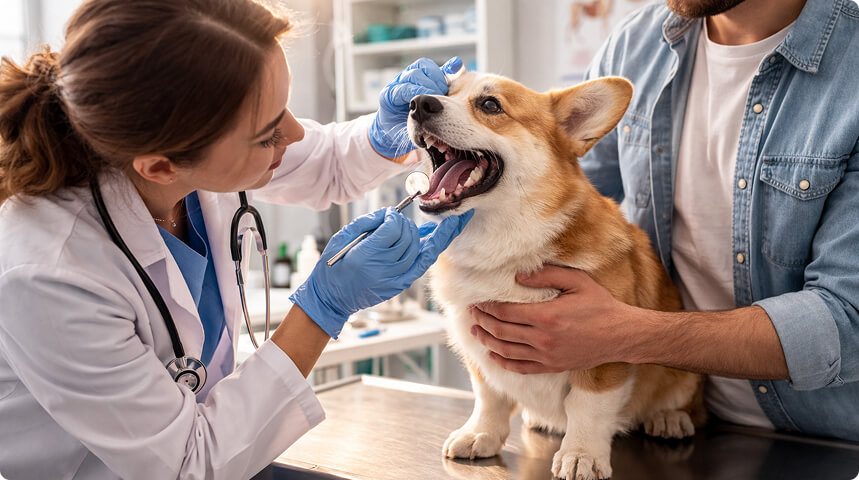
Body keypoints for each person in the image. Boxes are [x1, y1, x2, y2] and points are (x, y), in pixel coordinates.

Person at [0, 1, 469, 479]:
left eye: (283, 108)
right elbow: (189, 465)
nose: (293, 132)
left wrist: (380, 134)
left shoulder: (188, 149)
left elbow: (324, 159)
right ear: (160, 166)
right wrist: (323, 307)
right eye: (267, 135)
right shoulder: (49, 271)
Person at [468, 0, 859, 442]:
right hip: (647, 419)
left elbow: (848, 320)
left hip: (822, 441)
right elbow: (565, 205)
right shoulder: (636, 45)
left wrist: (625, 335)